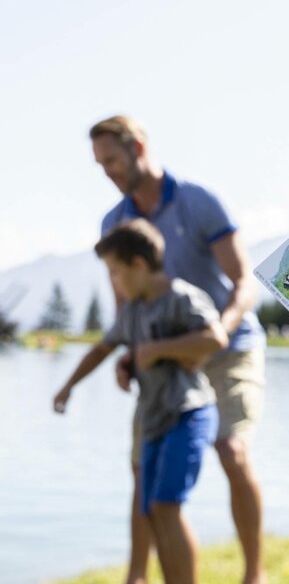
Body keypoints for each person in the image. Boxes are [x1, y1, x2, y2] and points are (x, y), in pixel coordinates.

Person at [85, 115, 266, 584]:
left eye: (111, 160)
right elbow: (126, 307)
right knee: (141, 467)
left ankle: (254, 575)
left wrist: (218, 332)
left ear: (138, 146)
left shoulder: (197, 201)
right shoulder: (115, 222)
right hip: (163, 360)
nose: (107, 171)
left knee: (232, 450)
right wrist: (128, 355)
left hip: (228, 346)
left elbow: (244, 282)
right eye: (99, 164)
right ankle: (137, 576)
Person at [54, 219, 225, 584]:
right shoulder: (132, 311)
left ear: (139, 265)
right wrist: (68, 386)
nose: (113, 282)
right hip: (153, 420)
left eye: (116, 273)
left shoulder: (182, 297)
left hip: (188, 413)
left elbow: (216, 338)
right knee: (151, 510)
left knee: (167, 505)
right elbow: (102, 348)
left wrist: (156, 350)